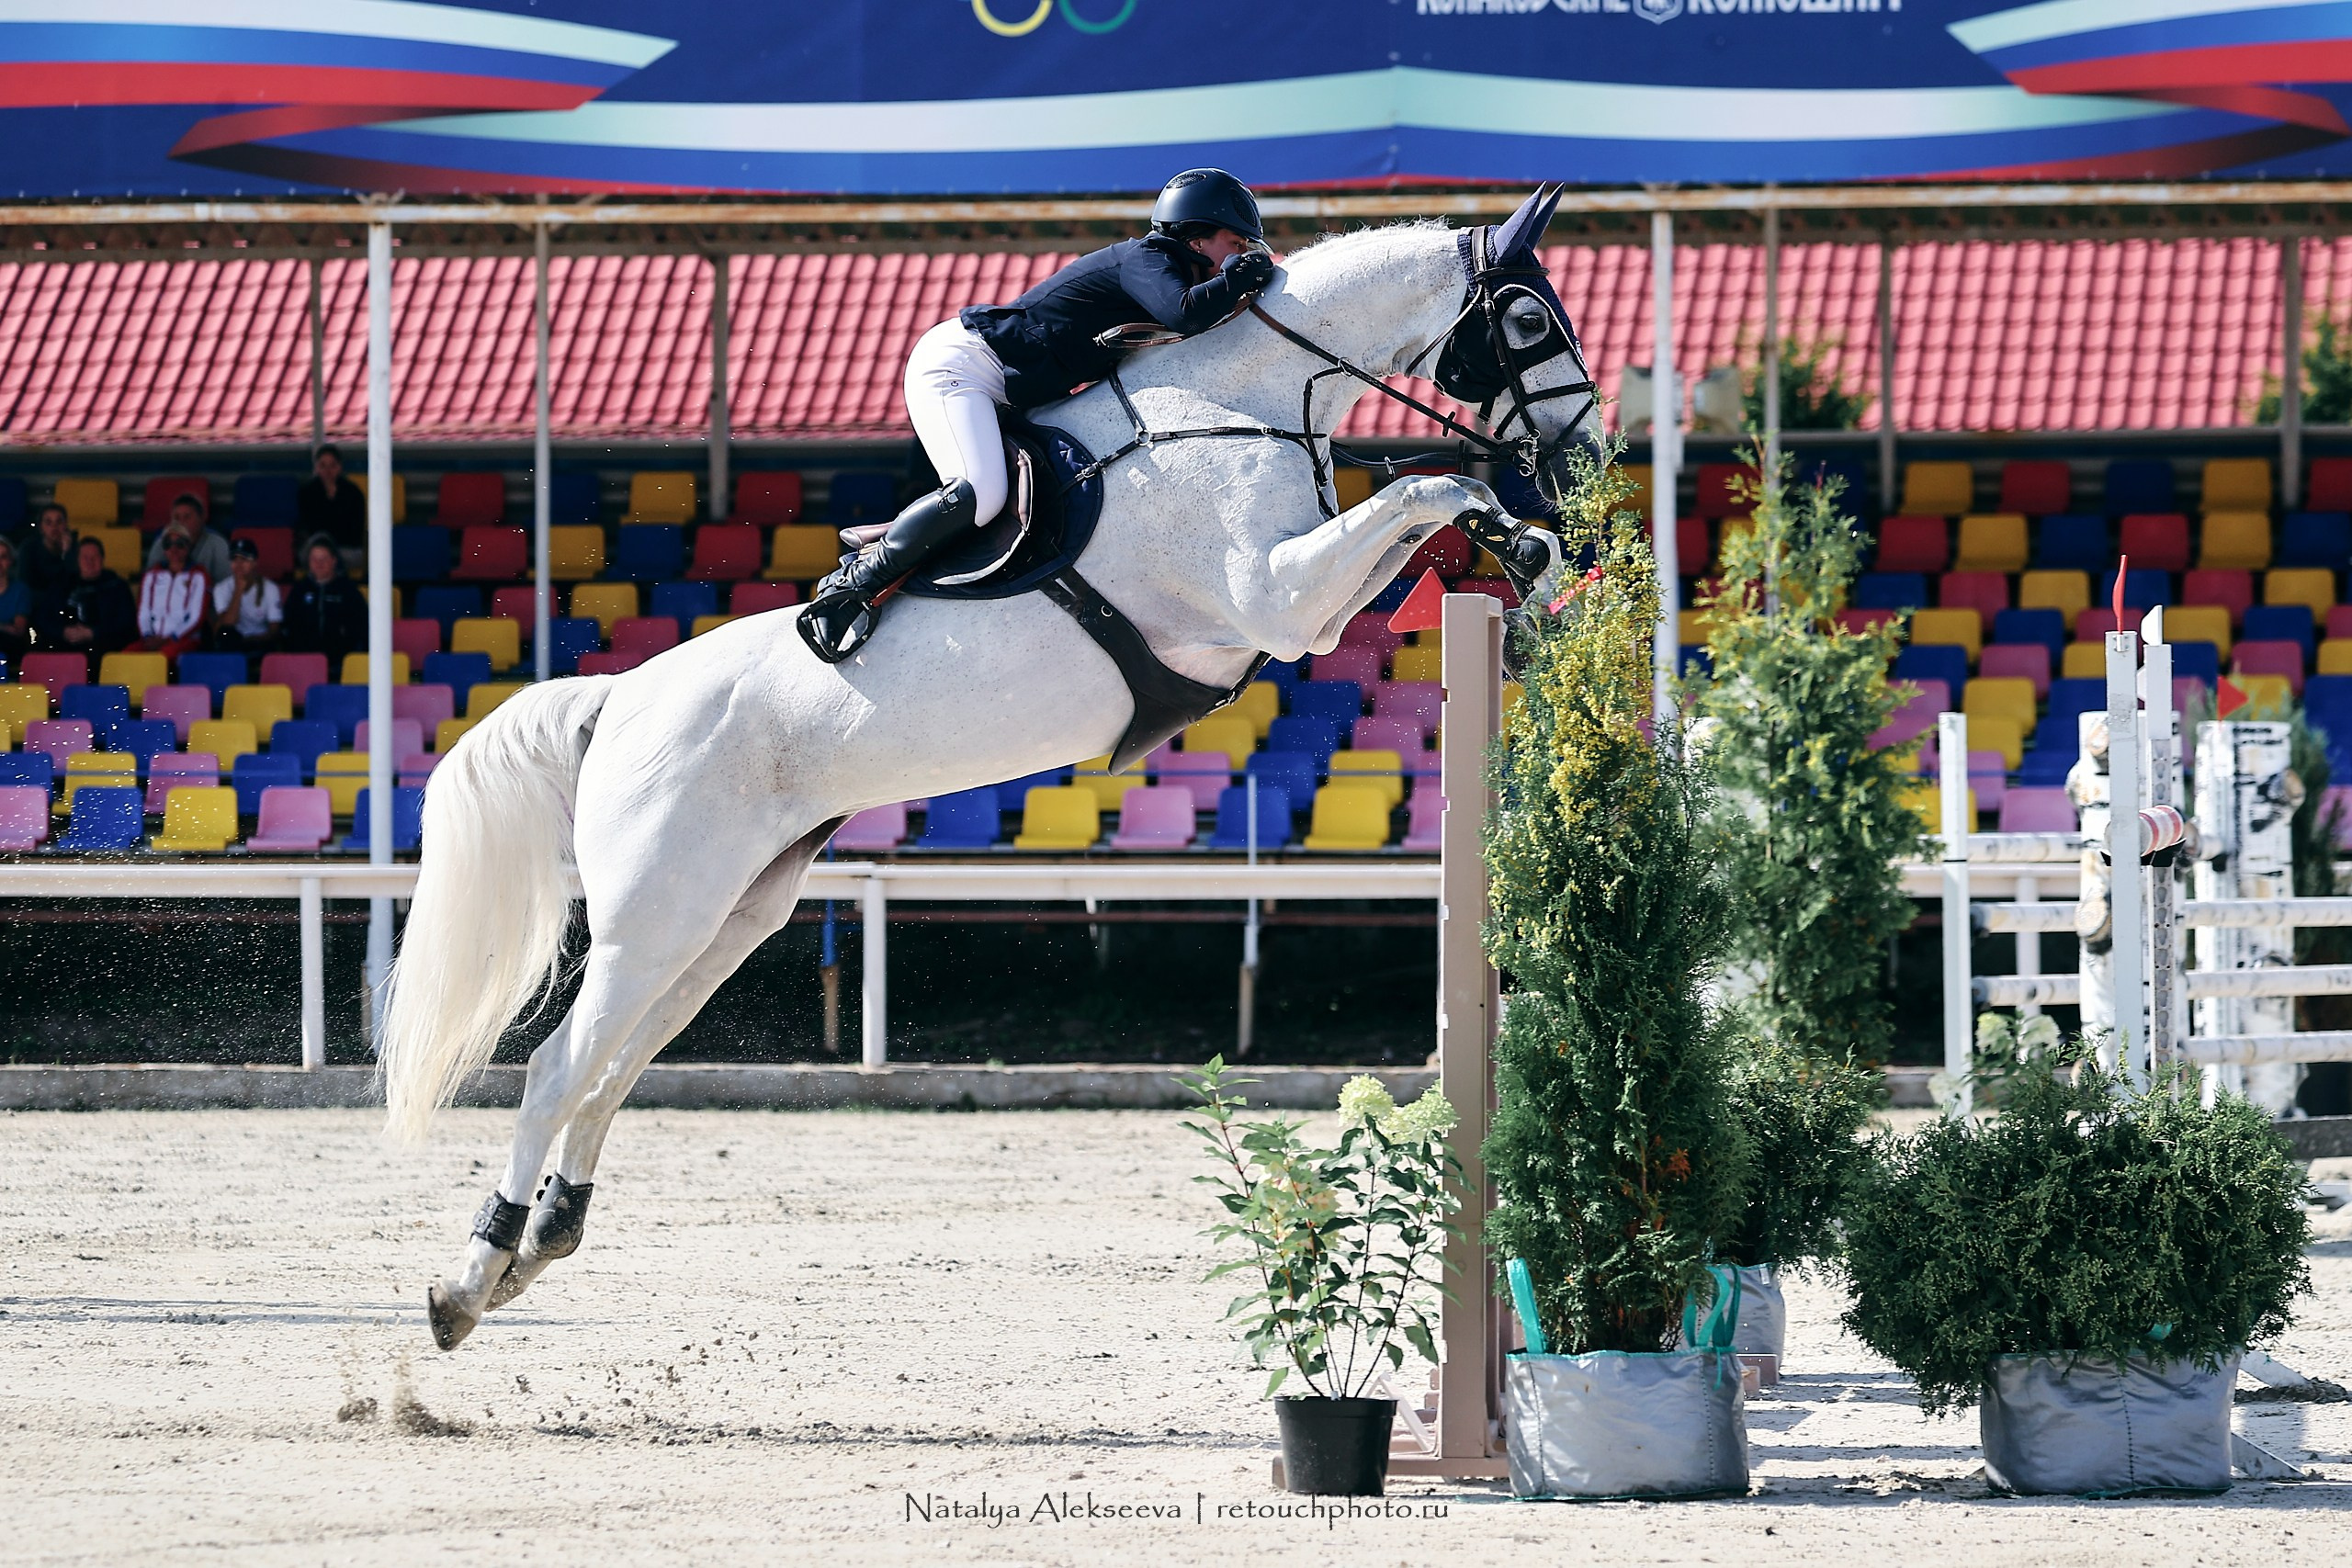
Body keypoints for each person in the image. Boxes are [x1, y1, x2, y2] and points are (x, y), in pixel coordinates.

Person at [799, 168, 1275, 662]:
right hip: (962, 366)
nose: (1243, 253)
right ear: (1196, 233)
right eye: (1237, 241)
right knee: (981, 496)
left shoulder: (1179, 271)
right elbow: (1184, 313)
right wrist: (1243, 277)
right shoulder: (1148, 256)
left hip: (1009, 390)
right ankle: (852, 584)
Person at [280, 536, 365, 668]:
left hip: (340, 663)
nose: (319, 564)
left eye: (324, 559)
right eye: (314, 559)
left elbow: (360, 626)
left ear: (334, 561)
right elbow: (288, 625)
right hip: (304, 661)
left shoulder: (348, 590)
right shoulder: (299, 590)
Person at [130, 525, 211, 658]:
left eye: (179, 544)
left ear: (188, 547)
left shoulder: (199, 576)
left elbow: (196, 618)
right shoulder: (151, 575)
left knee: (165, 655)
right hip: (152, 639)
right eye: (168, 544)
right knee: (127, 655)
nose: (173, 549)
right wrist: (147, 636)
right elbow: (143, 612)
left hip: (185, 639)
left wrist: (169, 639)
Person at [49, 536, 135, 656]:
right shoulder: (63, 585)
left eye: (95, 557)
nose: (90, 562)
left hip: (103, 645)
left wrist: (93, 633)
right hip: (66, 642)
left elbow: (126, 624)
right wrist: (63, 631)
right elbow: (46, 618)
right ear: (77, 560)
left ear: (102, 559)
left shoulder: (117, 586)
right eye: (85, 557)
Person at [209, 536, 282, 653]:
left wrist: (251, 640)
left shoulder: (270, 588)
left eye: (244, 559)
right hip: (233, 643)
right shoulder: (221, 588)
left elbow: (274, 630)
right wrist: (238, 590)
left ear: (254, 562)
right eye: (234, 559)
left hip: (260, 641)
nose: (239, 564)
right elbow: (227, 625)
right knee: (224, 634)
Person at [143, 491, 232, 584]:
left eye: (187, 517)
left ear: (202, 518)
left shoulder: (217, 544)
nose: (181, 522)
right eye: (177, 518)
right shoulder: (162, 543)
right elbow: (151, 580)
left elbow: (226, 584)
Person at [298, 444, 368, 550]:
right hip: (316, 548)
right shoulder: (306, 493)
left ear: (340, 467)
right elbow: (306, 526)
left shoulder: (353, 493)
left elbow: (356, 530)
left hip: (347, 548)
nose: (328, 471)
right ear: (316, 468)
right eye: (323, 465)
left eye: (332, 465)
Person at [19, 502, 76, 606]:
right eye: (48, 522)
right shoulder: (29, 548)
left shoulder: (75, 548)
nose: (54, 527)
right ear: (41, 527)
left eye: (59, 522)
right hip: (37, 604)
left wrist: (67, 553)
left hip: (67, 604)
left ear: (66, 524)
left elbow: (75, 584)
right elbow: (24, 584)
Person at [0, 537, 32, 660]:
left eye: (3, 557)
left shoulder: (20, 590)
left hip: (9, 648)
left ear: (10, 561)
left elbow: (18, 630)